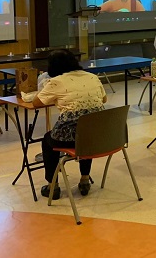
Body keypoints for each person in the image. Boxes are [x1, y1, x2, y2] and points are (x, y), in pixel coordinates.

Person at [33, 49, 107, 200]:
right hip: (99, 135)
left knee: (48, 141)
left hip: (69, 138)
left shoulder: (56, 82)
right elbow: (104, 100)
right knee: (86, 131)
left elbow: (36, 103)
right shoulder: (92, 77)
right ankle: (85, 179)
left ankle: (53, 186)